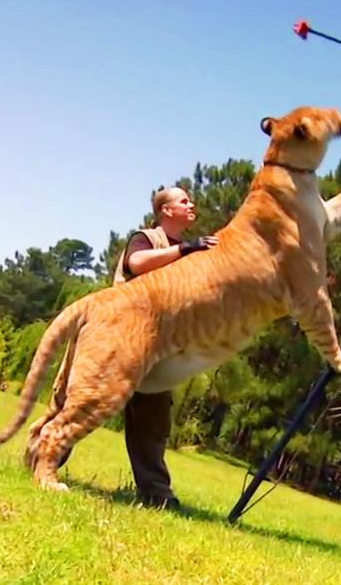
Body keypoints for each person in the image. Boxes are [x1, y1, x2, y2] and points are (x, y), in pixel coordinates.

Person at [113, 186, 218, 510]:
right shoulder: (147, 238)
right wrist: (186, 249)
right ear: (166, 210)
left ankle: (156, 494)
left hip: (159, 347)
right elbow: (137, 262)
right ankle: (46, 457)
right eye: (184, 201)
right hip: (120, 337)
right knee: (84, 402)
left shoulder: (191, 250)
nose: (192, 204)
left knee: (154, 424)